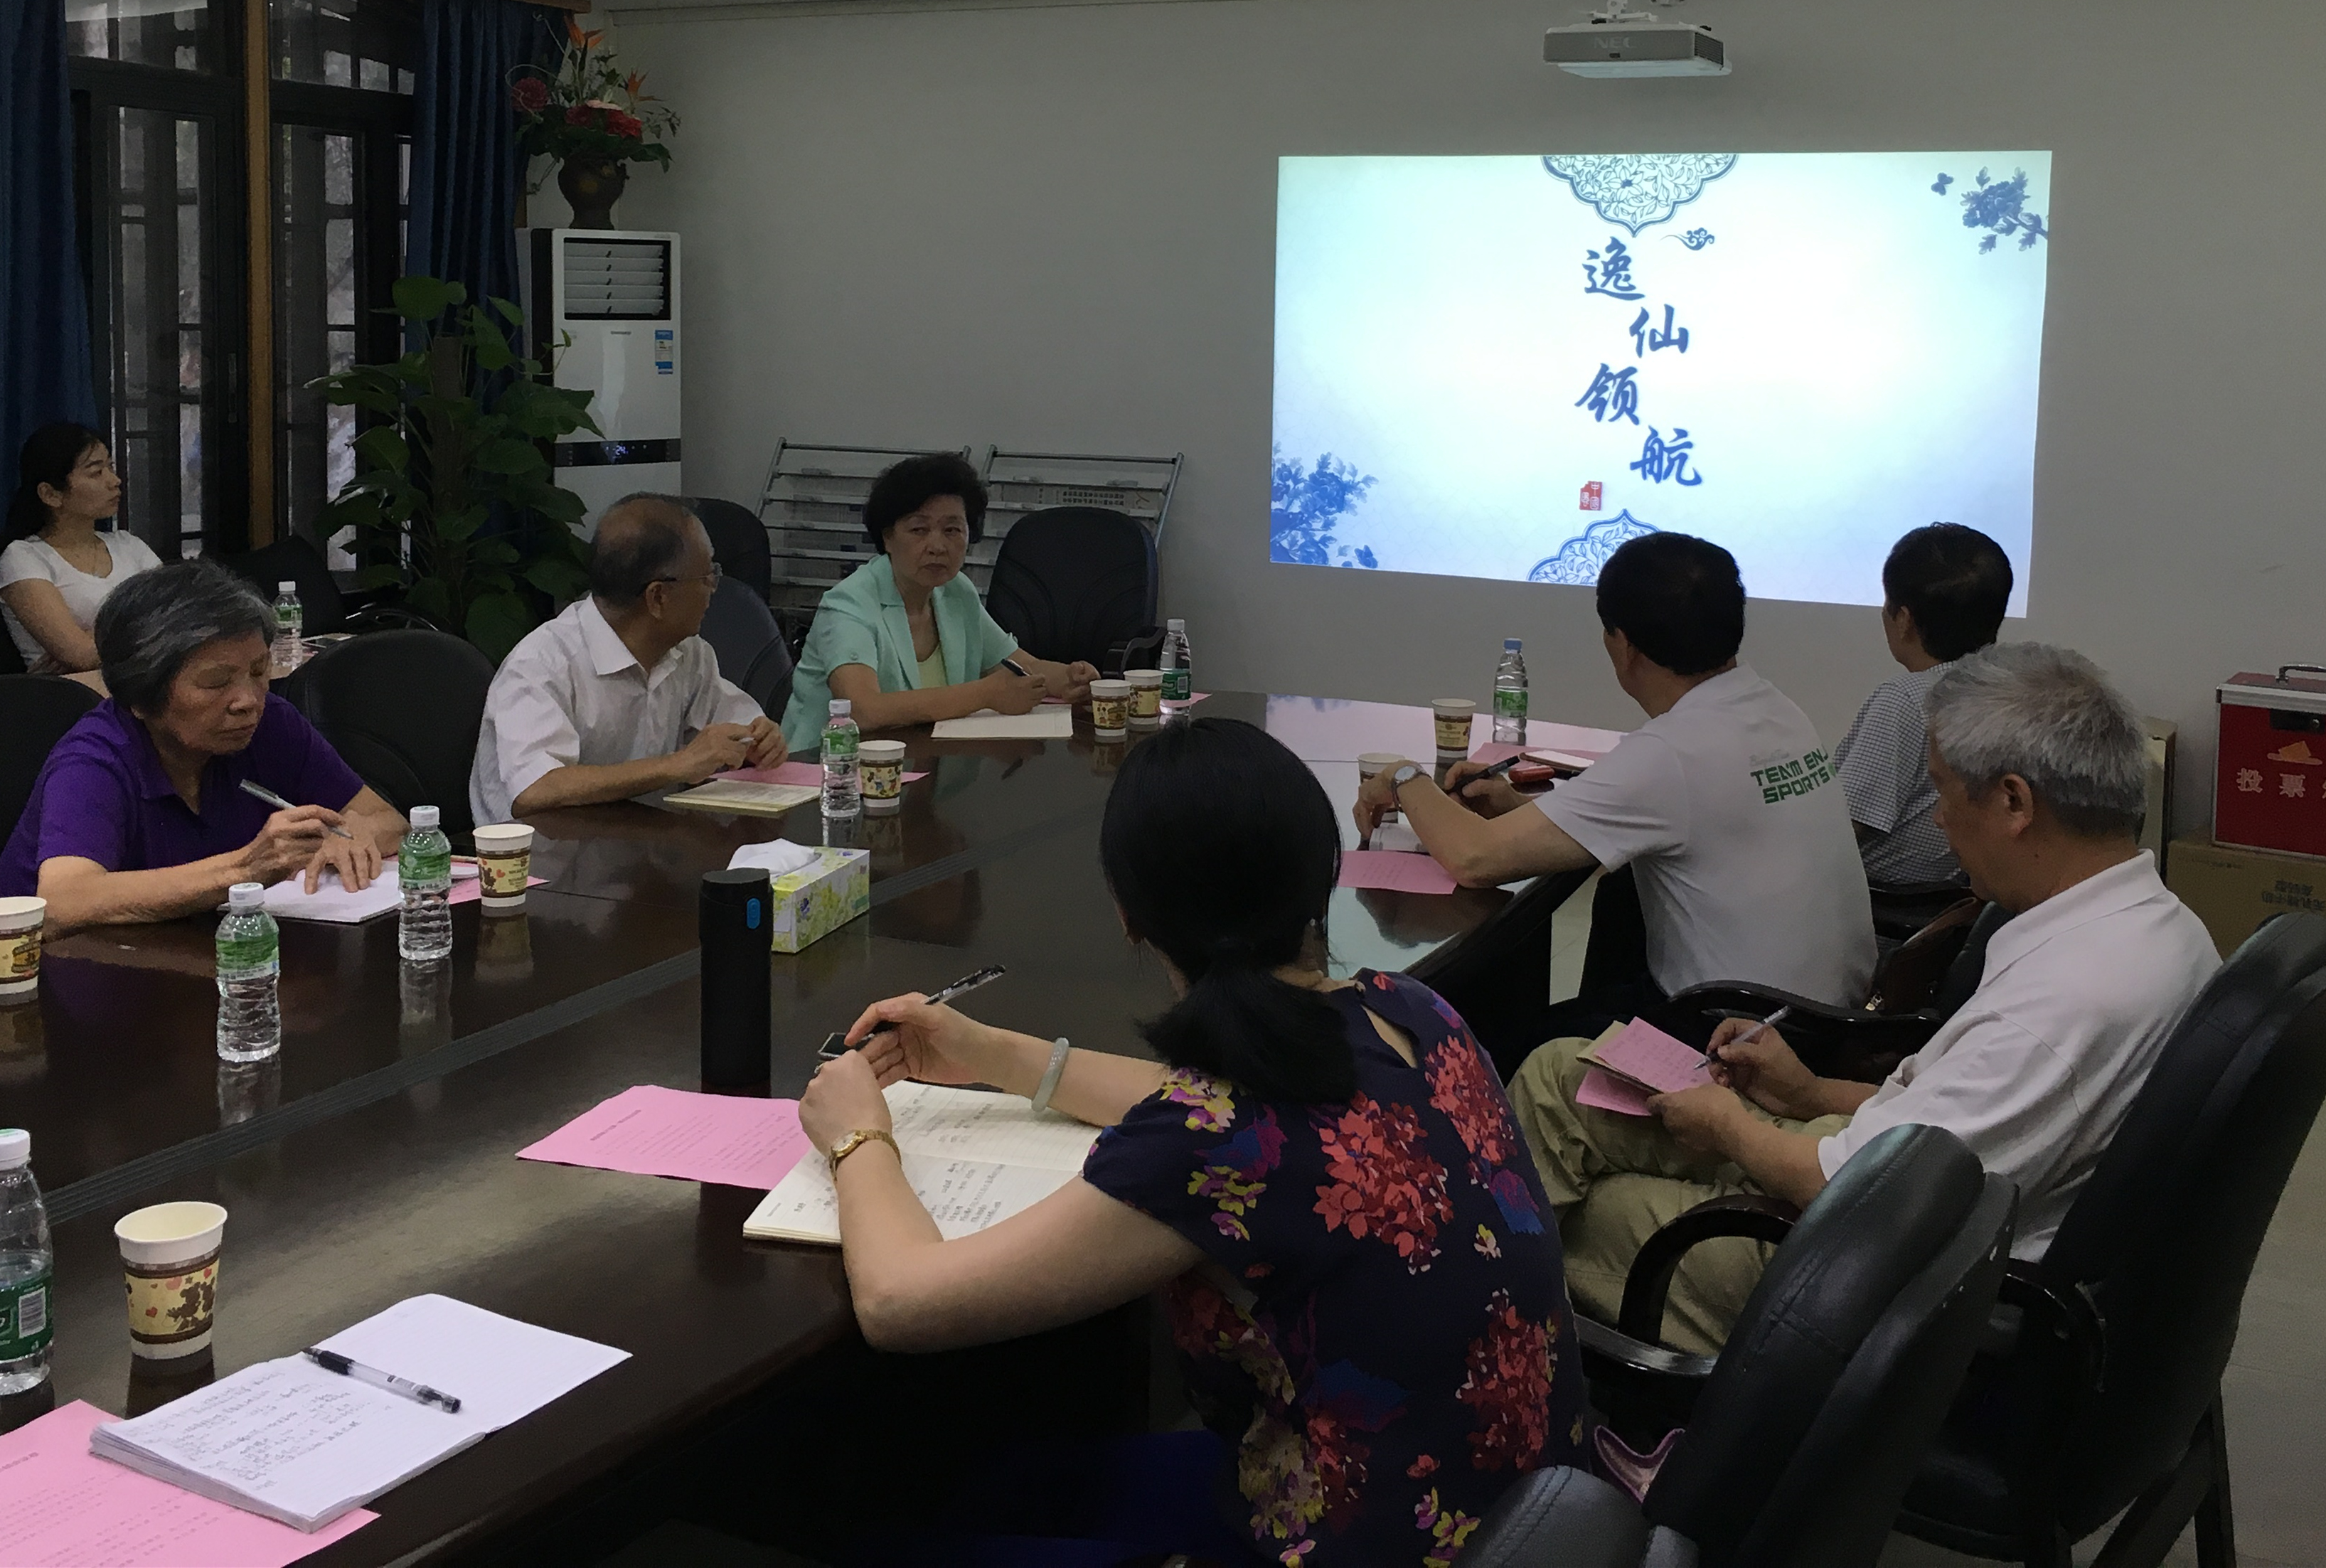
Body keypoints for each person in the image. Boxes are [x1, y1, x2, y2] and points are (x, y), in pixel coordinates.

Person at [798, 718, 1587, 1566]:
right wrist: (997, 1057)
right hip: (1526, 1518)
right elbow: (1248, 1116)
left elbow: (900, 1302)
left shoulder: (1214, 1143)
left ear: (1128, 915)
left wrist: (857, 1135)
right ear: (1318, 874)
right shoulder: (1411, 1010)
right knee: (1005, 1482)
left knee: (882, 1539)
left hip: (1364, 1537)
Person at [1508, 644, 2219, 1355]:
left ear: (2013, 802)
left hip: (1851, 1269)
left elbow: (1856, 1191)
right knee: (1559, 1072)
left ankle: (1507, 1357)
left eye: (1942, 791)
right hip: (1886, 1176)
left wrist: (1728, 1125)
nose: (1938, 820)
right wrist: (1809, 1092)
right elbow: (1955, 1120)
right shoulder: (2159, 926)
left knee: (1576, 1210)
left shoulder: (2065, 1003)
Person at [1353, 532, 1874, 1075]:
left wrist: (1403, 776)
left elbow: (1473, 858)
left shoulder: (1671, 751)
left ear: (1622, 645)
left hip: (1734, 1040)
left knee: (1489, 1053)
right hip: (1831, 1021)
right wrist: (1515, 808)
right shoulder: (1776, 709)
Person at [0, 562, 407, 930]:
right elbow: (64, 900)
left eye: (258, 671)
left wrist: (354, 833)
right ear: (140, 697)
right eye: (216, 682)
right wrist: (246, 868)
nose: (248, 700)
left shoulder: (271, 724)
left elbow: (387, 819)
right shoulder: (96, 758)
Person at [469, 494, 785, 823]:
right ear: (658, 597)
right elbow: (534, 790)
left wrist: (758, 742)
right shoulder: (541, 664)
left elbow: (735, 731)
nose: (714, 588)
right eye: (707, 576)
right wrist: (678, 764)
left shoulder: (688, 652)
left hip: (643, 839)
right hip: (543, 852)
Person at [780, 453, 1098, 752]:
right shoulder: (849, 604)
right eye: (919, 530)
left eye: (952, 530)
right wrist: (985, 694)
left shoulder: (955, 592)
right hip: (824, 772)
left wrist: (1070, 679)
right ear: (888, 537)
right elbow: (862, 710)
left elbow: (1020, 666)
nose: (937, 546)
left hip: (924, 765)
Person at [1835, 523, 2014, 887]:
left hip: (1883, 904)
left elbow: (1840, 829)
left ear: (1903, 620)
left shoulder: (1904, 700)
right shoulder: (2008, 687)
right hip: (1958, 902)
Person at [1, 423, 163, 678]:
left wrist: (95, 638)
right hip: (73, 695)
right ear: (50, 494)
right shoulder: (23, 557)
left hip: (144, 685)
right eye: (96, 472)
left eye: (110, 467)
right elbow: (81, 655)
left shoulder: (129, 545)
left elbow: (180, 619)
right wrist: (153, 630)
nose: (115, 481)